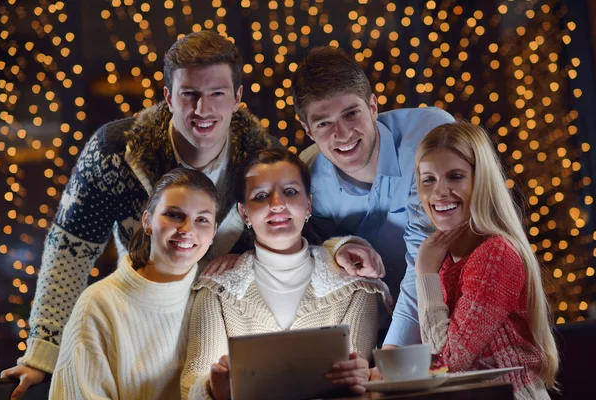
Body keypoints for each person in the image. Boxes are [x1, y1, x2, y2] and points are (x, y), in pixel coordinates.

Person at [1, 30, 277, 399]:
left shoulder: (264, 163)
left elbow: (296, 244)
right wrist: (44, 350)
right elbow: (70, 247)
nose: (202, 110)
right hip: (139, 326)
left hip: (222, 337)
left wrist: (247, 260)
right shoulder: (114, 151)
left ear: (237, 98)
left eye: (217, 94)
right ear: (168, 97)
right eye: (189, 94)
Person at [180, 148, 390, 400]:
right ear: (244, 212)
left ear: (308, 203)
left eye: (290, 192)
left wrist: (361, 381)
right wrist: (213, 390)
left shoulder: (356, 286)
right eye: (260, 196)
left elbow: (356, 378)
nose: (277, 205)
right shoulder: (217, 289)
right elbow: (193, 382)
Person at [293, 46, 455, 346]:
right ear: (306, 128)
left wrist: (393, 352)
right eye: (323, 123)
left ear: (373, 106)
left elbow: (426, 253)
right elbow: (315, 258)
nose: (342, 134)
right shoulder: (306, 180)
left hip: (458, 315)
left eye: (351, 113)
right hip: (373, 332)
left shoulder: (429, 135)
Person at [413, 122, 558, 398]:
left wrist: (425, 276)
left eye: (455, 177)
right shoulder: (437, 257)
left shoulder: (495, 254)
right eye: (428, 179)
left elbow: (447, 365)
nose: (439, 192)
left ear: (481, 182)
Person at [49, 168, 219, 399]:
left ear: (213, 233)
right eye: (174, 215)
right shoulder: (98, 304)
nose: (187, 230)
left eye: (202, 219)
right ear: (147, 221)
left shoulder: (216, 296)